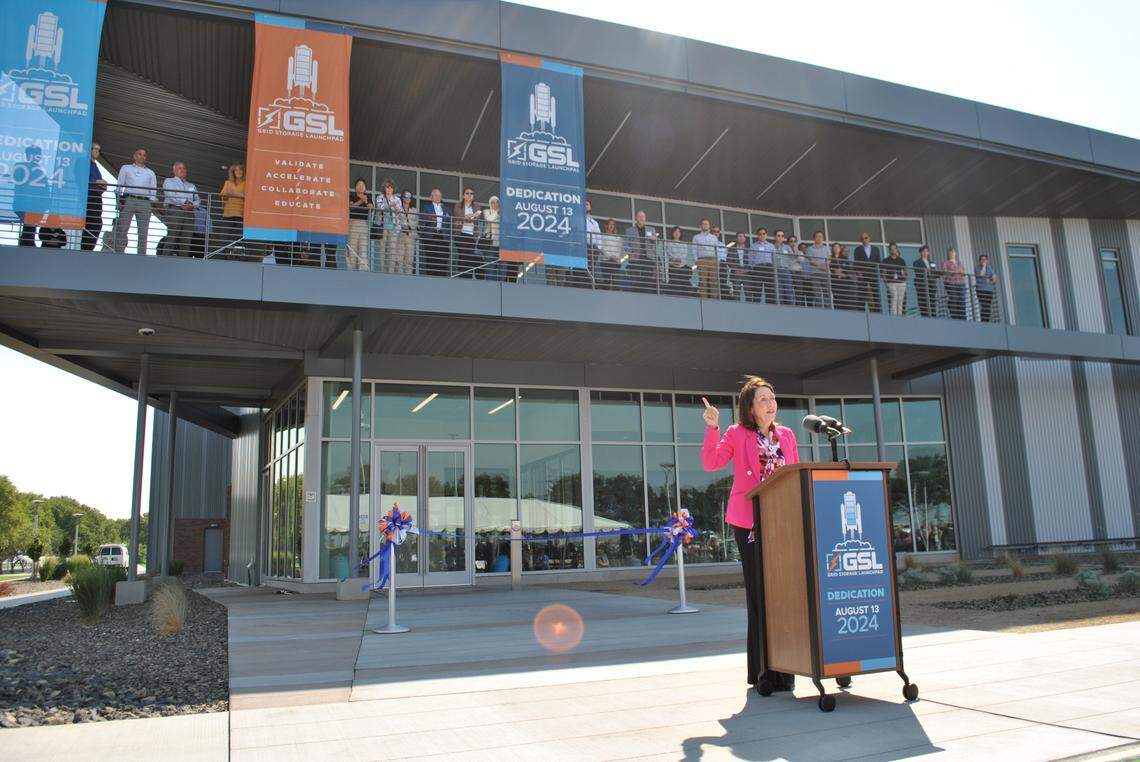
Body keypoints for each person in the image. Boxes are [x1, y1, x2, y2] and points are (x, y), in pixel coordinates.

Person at [701, 376, 799, 691]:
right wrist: (712, 427)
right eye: (763, 400)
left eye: (772, 398)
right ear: (751, 408)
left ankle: (787, 669)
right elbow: (711, 463)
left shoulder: (787, 435)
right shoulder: (736, 433)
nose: (770, 404)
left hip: (783, 522)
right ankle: (763, 672)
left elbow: (796, 474)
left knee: (784, 596)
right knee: (760, 594)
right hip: (750, 523)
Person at [113, 148, 157, 255]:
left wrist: (150, 203)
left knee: (143, 231)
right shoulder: (126, 168)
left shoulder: (150, 172)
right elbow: (119, 185)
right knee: (123, 227)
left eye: (144, 155)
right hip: (129, 199)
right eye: (140, 154)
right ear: (134, 156)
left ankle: (141, 255)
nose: (142, 156)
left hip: (145, 202)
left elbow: (153, 190)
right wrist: (118, 201)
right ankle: (119, 253)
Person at [159, 161, 200, 257]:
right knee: (172, 236)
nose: (183, 170)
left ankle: (183, 262)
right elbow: (171, 194)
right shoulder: (169, 181)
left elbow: (198, 200)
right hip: (175, 210)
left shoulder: (191, 185)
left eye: (184, 168)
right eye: (180, 168)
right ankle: (165, 259)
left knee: (187, 239)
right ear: (174, 170)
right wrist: (185, 202)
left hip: (190, 213)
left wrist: (192, 205)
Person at [12, 147, 47, 247]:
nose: (38, 156)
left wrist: (46, 203)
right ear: (29, 155)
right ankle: (27, 244)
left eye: (39, 154)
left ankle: (27, 243)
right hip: (26, 203)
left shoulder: (40, 170)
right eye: (35, 154)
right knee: (29, 225)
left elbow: (44, 188)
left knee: (31, 226)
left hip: (37, 204)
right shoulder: (20, 167)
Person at [418, 188, 451, 277]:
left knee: (443, 259)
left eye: (439, 195)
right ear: (431, 197)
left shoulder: (446, 209)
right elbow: (422, 221)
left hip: (443, 237)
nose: (437, 197)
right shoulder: (426, 208)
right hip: (431, 236)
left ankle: (442, 279)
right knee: (431, 260)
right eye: (435, 195)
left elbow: (449, 224)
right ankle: (431, 280)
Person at [624, 210, 659, 293]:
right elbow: (625, 243)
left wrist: (655, 239)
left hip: (648, 258)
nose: (641, 218)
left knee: (648, 279)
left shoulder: (651, 229)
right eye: (639, 216)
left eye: (643, 217)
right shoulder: (629, 230)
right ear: (636, 218)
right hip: (636, 257)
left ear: (645, 218)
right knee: (635, 279)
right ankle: (637, 295)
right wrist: (630, 252)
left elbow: (657, 242)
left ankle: (646, 294)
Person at [82, 143, 108, 251]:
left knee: (97, 224)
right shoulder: (83, 162)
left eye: (99, 150)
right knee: (92, 224)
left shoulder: (95, 165)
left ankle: (88, 249)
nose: (97, 152)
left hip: (96, 199)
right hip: (88, 198)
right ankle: (84, 249)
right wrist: (97, 182)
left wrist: (102, 186)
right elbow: (81, 178)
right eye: (95, 149)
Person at [218, 162, 246, 259]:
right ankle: (224, 258)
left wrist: (233, 193)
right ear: (233, 172)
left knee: (238, 239)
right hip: (228, 214)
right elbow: (223, 196)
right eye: (236, 170)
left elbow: (248, 196)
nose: (239, 172)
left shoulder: (247, 183)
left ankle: (238, 258)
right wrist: (228, 194)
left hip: (241, 215)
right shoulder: (228, 183)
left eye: (240, 169)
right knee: (224, 238)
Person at [453, 187, 482, 279]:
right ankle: (462, 277)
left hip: (472, 236)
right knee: (463, 254)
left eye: (471, 193)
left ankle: (468, 277)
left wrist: (467, 217)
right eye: (467, 193)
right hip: (460, 234)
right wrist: (472, 216)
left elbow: (477, 218)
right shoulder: (458, 205)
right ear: (463, 195)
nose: (469, 195)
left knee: (469, 256)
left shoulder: (477, 206)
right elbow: (459, 216)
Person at [375, 178, 403, 273]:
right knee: (382, 250)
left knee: (392, 250)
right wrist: (391, 205)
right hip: (382, 226)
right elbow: (380, 208)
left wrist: (396, 207)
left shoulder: (397, 199)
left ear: (393, 189)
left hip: (394, 227)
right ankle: (383, 271)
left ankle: (390, 272)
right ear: (384, 188)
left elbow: (400, 213)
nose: (389, 189)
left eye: (391, 187)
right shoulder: (379, 197)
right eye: (387, 187)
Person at [346, 177, 373, 271]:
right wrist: (361, 201)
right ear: (355, 187)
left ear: (365, 187)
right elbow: (351, 207)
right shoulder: (352, 196)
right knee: (352, 247)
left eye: (363, 185)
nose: (361, 187)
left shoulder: (368, 197)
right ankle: (351, 269)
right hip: (353, 222)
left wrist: (366, 201)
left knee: (363, 247)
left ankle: (362, 269)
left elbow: (371, 208)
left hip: (364, 224)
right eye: (359, 185)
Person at [852, 232, 882, 312]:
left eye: (866, 238)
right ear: (860, 240)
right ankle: (861, 311)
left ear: (869, 238)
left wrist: (880, 273)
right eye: (862, 238)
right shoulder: (857, 249)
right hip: (863, 275)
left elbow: (879, 262)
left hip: (873, 274)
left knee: (876, 293)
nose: (864, 240)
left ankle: (877, 311)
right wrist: (858, 273)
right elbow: (856, 263)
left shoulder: (876, 249)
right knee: (861, 293)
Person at [692, 218, 721, 299]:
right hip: (702, 260)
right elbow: (694, 250)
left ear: (709, 226)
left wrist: (717, 261)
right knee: (703, 282)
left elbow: (717, 250)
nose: (705, 225)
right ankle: (704, 300)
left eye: (707, 224)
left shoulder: (713, 237)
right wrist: (696, 261)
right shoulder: (696, 237)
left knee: (714, 282)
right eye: (704, 224)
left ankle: (714, 300)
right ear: (700, 226)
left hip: (713, 260)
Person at [663, 225, 693, 296]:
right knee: (675, 285)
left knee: (685, 285)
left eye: (678, 232)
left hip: (682, 266)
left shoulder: (684, 244)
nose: (677, 233)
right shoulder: (668, 243)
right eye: (675, 231)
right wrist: (675, 259)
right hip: (673, 266)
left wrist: (679, 260)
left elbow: (684, 254)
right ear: (672, 233)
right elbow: (669, 253)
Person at [748, 227, 776, 304]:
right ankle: (756, 307)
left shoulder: (771, 246)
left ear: (766, 235)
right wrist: (753, 268)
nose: (762, 235)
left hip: (769, 268)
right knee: (757, 289)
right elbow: (751, 259)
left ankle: (770, 308)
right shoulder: (753, 246)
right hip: (758, 268)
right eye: (760, 234)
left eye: (763, 234)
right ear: (757, 236)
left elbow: (774, 259)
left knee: (770, 289)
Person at [881, 242, 908, 315]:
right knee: (894, 297)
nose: (893, 250)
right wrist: (886, 283)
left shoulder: (901, 260)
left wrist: (905, 282)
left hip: (901, 282)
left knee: (900, 300)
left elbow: (906, 272)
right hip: (891, 282)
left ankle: (899, 316)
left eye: (894, 249)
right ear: (889, 250)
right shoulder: (885, 260)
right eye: (891, 249)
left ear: (896, 249)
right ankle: (894, 316)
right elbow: (883, 273)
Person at [806, 230, 830, 307]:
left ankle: (828, 308)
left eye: (820, 236)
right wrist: (821, 266)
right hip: (815, 273)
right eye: (817, 236)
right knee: (816, 292)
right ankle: (819, 309)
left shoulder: (827, 248)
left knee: (827, 292)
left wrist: (825, 266)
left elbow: (829, 259)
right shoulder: (810, 248)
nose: (819, 238)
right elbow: (811, 260)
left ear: (823, 238)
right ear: (814, 238)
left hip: (825, 273)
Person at [479, 195, 501, 280]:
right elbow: (489, 219)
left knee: (502, 269)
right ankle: (490, 287)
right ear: (490, 204)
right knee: (490, 268)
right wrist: (497, 212)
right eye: (493, 202)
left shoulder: (503, 213)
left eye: (497, 202)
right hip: (490, 245)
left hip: (502, 245)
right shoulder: (486, 211)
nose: (495, 204)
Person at [396, 191, 417, 275]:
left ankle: (408, 277)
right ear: (402, 197)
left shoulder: (414, 210)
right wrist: (404, 226)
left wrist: (409, 227)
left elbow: (416, 222)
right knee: (399, 259)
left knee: (409, 259)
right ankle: (398, 277)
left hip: (410, 235)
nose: (407, 198)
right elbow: (397, 219)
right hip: (400, 234)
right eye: (406, 196)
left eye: (409, 196)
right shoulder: (398, 208)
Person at [942, 247, 967, 320]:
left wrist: (960, 272)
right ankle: (955, 317)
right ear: (948, 254)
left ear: (955, 253)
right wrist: (954, 272)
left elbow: (964, 273)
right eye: (950, 252)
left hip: (961, 283)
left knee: (962, 300)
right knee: (953, 299)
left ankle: (963, 318)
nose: (952, 253)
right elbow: (944, 272)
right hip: (951, 283)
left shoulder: (960, 263)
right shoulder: (946, 263)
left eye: (953, 252)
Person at [598, 219, 623, 288]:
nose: (611, 226)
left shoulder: (617, 238)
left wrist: (616, 257)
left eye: (613, 224)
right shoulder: (602, 236)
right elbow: (601, 248)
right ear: (606, 226)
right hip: (606, 261)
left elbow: (619, 249)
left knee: (615, 282)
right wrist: (610, 256)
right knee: (607, 281)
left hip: (616, 262)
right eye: (610, 224)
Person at [913, 245, 937, 317]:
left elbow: (934, 272)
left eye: (926, 251)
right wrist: (926, 271)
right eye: (923, 251)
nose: (925, 252)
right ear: (920, 252)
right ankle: (925, 318)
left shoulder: (932, 262)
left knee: (932, 303)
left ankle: (933, 317)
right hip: (922, 286)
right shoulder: (916, 262)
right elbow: (917, 272)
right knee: (924, 303)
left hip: (931, 285)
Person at [829, 242, 854, 310]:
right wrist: (836, 271)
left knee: (846, 298)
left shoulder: (844, 258)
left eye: (838, 247)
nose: (836, 248)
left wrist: (843, 273)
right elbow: (830, 268)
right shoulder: (830, 258)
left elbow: (848, 269)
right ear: (832, 249)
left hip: (844, 282)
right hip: (835, 281)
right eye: (835, 247)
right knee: (837, 298)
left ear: (840, 249)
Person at [774, 230, 795, 305]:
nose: (780, 237)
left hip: (786, 271)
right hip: (776, 271)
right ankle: (780, 307)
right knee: (779, 291)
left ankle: (791, 308)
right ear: (775, 237)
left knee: (788, 290)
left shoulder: (787, 247)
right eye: (778, 236)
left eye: (782, 236)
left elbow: (792, 258)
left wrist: (795, 249)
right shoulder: (771, 247)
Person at [975, 253, 996, 322]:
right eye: (982, 259)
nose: (983, 261)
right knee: (983, 305)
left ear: (987, 260)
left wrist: (990, 280)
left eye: (985, 259)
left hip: (989, 290)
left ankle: (987, 321)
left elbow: (994, 278)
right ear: (979, 261)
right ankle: (983, 321)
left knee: (987, 306)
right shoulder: (977, 267)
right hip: (981, 289)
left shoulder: (990, 267)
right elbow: (981, 275)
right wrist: (984, 266)